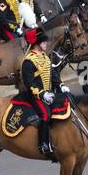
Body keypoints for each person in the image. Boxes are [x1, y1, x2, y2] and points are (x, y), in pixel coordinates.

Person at [18, 28, 67, 159]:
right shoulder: (28, 61)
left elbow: (53, 74)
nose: (46, 44)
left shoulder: (45, 57)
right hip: (35, 95)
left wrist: (61, 85)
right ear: (37, 43)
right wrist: (42, 95)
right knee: (45, 115)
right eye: (44, 42)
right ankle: (43, 144)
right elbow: (29, 83)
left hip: (49, 93)